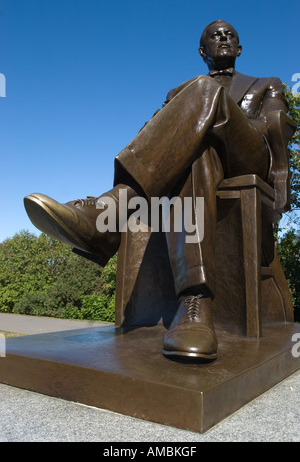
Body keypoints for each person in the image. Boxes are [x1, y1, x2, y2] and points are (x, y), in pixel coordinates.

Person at [24, 20, 289, 363]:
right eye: (214, 35)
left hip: (250, 154)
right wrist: (198, 125)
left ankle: (110, 211)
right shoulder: (179, 93)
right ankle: (194, 304)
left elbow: (273, 125)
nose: (223, 37)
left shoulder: (266, 84)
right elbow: (153, 132)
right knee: (196, 154)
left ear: (239, 48)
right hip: (205, 158)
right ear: (202, 51)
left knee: (204, 93)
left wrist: (281, 175)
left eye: (230, 35)